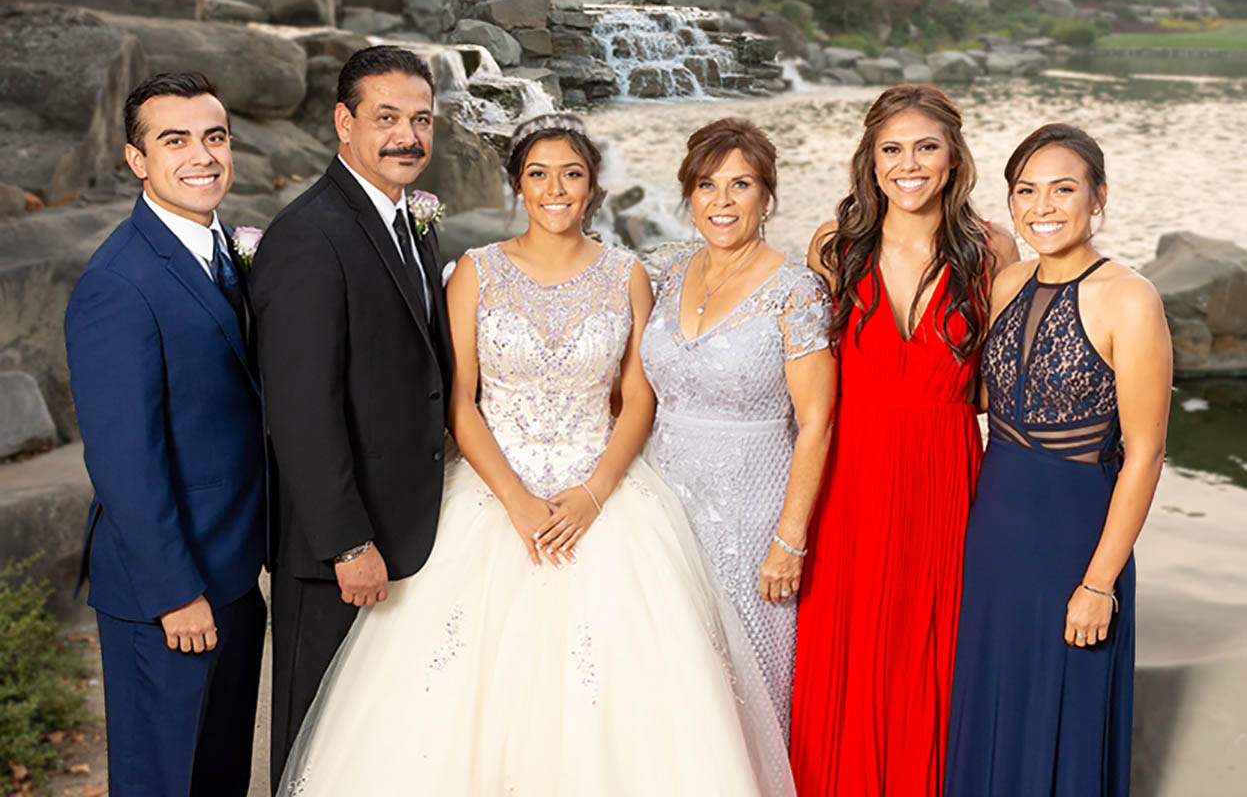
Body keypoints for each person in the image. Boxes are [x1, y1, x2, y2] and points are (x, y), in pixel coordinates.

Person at [275, 113, 795, 796]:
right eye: (538, 174)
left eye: (572, 174)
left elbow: (638, 400)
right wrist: (516, 502)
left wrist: (591, 493)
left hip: (603, 498)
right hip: (495, 495)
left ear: (593, 187)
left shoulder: (627, 275)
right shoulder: (477, 273)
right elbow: (459, 400)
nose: (556, 189)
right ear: (517, 185)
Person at [791, 84, 1019, 795]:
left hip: (944, 476)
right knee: (844, 648)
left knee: (933, 646)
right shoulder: (833, 247)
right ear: (870, 160)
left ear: (952, 159)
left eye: (925, 147)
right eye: (891, 149)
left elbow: (997, 386)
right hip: (849, 476)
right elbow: (806, 388)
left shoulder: (991, 250)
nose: (908, 163)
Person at [248, 46, 453, 787]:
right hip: (338, 550)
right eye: (388, 118)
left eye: (421, 120)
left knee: (374, 743)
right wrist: (345, 544)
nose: (408, 137)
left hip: (410, 532)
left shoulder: (412, 223)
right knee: (313, 744)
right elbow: (300, 409)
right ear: (344, 122)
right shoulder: (309, 235)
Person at [945, 124, 1171, 796]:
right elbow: (987, 397)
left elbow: (1146, 453)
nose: (1042, 207)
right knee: (990, 698)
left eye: (1062, 189)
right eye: (1026, 191)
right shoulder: (1007, 281)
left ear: (1097, 198)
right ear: (1009, 203)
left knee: (1063, 708)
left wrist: (1098, 583)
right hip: (994, 529)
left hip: (1073, 537)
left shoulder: (1130, 298)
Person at [64, 71, 266, 796]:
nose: (201, 156)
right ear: (136, 159)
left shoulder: (223, 252)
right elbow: (124, 460)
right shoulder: (117, 282)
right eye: (173, 140)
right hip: (170, 592)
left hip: (234, 575)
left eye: (214, 137)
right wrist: (175, 592)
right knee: (162, 783)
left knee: (217, 781)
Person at [640, 118, 834, 739]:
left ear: (767, 198)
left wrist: (791, 539)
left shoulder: (796, 292)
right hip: (662, 504)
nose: (721, 201)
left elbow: (817, 421)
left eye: (740, 185)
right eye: (706, 185)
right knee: (665, 666)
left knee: (743, 676)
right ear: (689, 196)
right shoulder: (668, 274)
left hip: (751, 512)